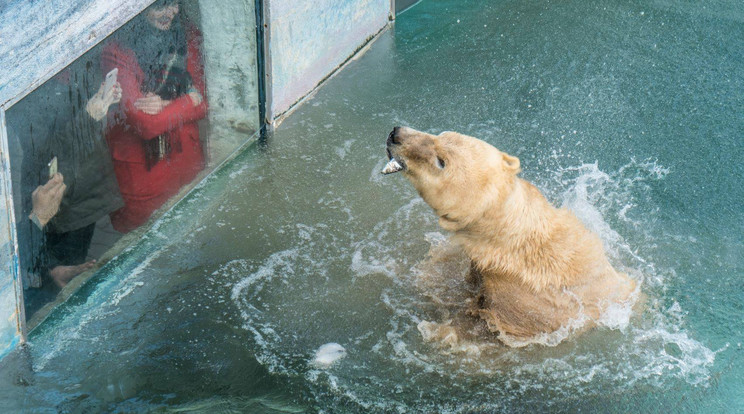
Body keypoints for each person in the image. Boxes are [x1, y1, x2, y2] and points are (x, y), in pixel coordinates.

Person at [8, 63, 124, 291]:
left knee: (67, 273)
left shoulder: (81, 62)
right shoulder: (26, 86)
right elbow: (44, 152)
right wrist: (89, 117)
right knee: (55, 281)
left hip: (85, 192)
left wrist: (102, 99)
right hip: (56, 199)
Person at [102, 0, 208, 233]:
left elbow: (207, 102)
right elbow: (145, 123)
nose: (170, 12)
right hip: (146, 175)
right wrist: (189, 100)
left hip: (188, 162)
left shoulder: (186, 35)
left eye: (175, 3)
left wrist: (167, 104)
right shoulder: (116, 52)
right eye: (160, 5)